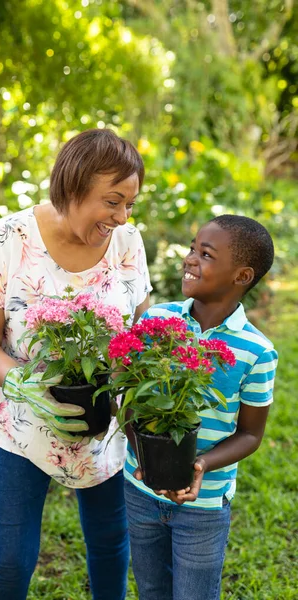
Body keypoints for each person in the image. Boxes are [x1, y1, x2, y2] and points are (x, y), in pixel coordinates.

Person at [0, 128, 151, 600]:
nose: (122, 216)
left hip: (103, 423)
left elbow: (139, 327)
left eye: (129, 203)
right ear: (74, 186)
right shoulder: (8, 240)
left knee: (110, 542)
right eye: (113, 201)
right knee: (11, 556)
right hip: (20, 423)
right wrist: (23, 382)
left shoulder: (127, 242)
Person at [124, 214, 278, 600]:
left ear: (242, 276)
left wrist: (201, 465)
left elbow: (250, 434)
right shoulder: (158, 321)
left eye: (205, 254)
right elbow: (128, 399)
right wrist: (140, 448)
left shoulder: (257, 351)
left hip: (204, 504)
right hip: (139, 488)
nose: (189, 259)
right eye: (192, 248)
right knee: (151, 590)